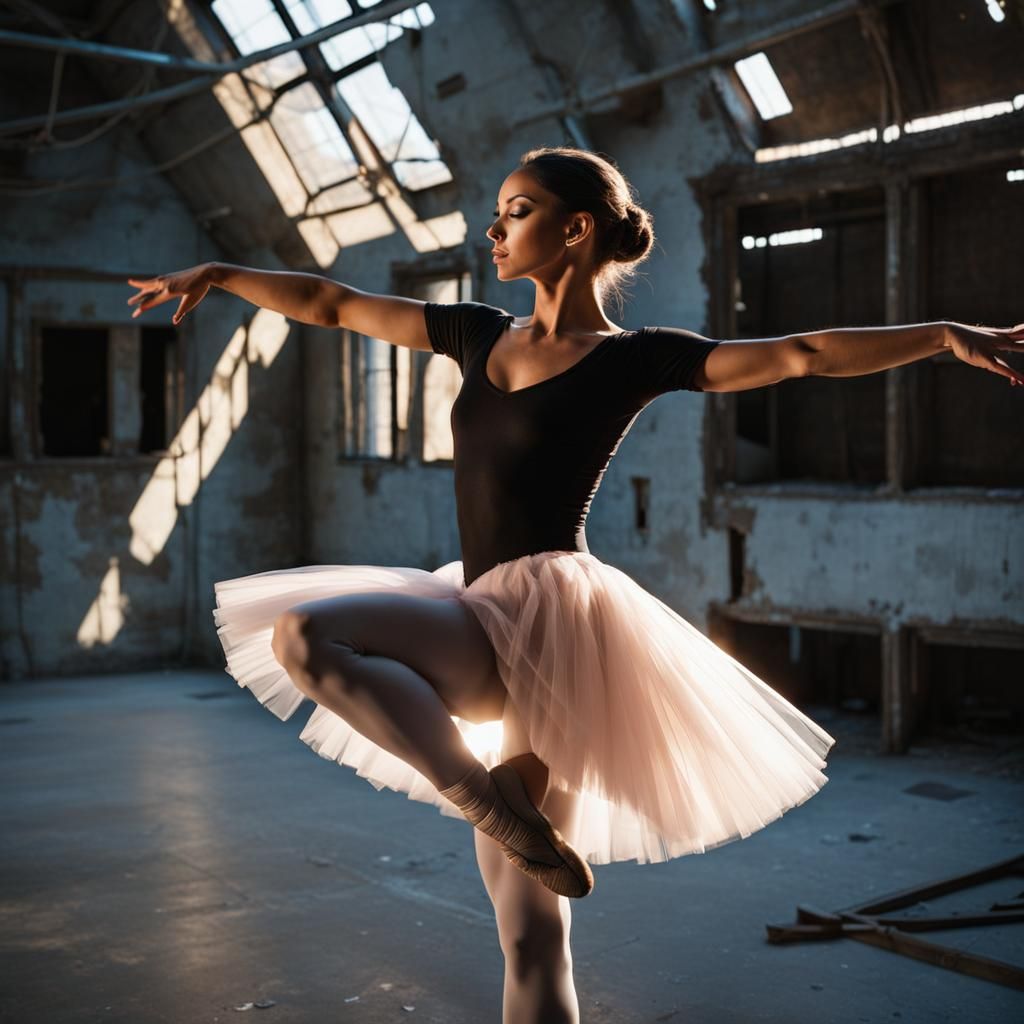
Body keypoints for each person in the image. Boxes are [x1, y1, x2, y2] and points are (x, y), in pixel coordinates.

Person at [127, 145, 1023, 1023]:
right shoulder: (477, 331)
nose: (495, 228)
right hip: (473, 609)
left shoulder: (635, 358)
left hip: (552, 627)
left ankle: (493, 797)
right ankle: (494, 796)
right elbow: (331, 302)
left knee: (532, 936)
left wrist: (944, 336)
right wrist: (223, 271)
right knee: (308, 639)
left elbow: (803, 354)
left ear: (576, 228)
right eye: (498, 212)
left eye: (517, 211)